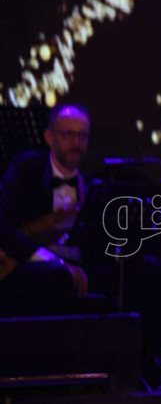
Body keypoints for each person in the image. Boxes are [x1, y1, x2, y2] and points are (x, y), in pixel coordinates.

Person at [0, 103, 91, 314]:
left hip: (76, 261)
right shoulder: (26, 169)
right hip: (31, 261)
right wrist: (56, 262)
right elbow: (4, 227)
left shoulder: (90, 184)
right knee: (56, 277)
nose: (76, 143)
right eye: (68, 135)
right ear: (49, 137)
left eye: (82, 136)